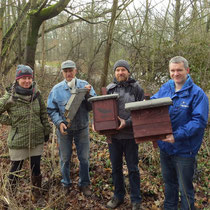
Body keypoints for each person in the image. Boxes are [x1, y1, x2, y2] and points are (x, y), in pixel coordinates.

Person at [151, 56, 209, 210]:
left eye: (179, 70)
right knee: (169, 186)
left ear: (187, 71)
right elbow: (153, 103)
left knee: (185, 191)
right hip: (165, 149)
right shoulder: (166, 87)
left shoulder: (197, 94)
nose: (175, 73)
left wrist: (176, 136)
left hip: (184, 151)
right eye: (172, 70)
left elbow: (199, 122)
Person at [0, 65, 51, 201]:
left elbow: (43, 113)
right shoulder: (10, 96)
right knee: (15, 170)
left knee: (36, 169)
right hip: (19, 139)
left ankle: (36, 195)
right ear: (17, 80)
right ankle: (9, 197)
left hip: (36, 138)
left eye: (29, 78)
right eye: (24, 78)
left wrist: (46, 130)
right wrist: (11, 121)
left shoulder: (37, 94)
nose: (27, 81)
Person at [47, 60, 96, 196]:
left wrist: (88, 96)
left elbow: (94, 106)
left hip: (82, 128)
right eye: (65, 71)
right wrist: (59, 122)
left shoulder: (85, 86)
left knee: (84, 158)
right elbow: (51, 109)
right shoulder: (56, 90)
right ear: (62, 73)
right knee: (65, 158)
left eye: (71, 70)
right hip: (64, 129)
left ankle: (84, 184)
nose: (68, 73)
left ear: (75, 71)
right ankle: (66, 183)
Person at [105, 60, 144, 210]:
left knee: (133, 168)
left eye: (123, 70)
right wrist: (101, 126)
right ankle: (118, 196)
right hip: (113, 137)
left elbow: (141, 113)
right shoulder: (110, 89)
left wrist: (127, 123)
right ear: (114, 73)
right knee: (116, 168)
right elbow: (104, 111)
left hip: (130, 136)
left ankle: (136, 200)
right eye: (117, 70)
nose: (120, 72)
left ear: (128, 72)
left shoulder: (136, 88)